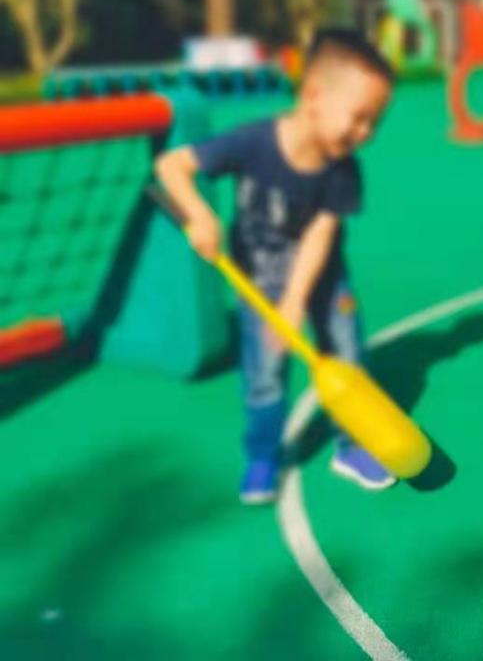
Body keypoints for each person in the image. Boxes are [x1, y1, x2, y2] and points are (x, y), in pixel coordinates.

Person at [154, 29, 397, 504]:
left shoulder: (343, 170)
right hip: (256, 282)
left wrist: (293, 304)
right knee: (264, 375)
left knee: (347, 358)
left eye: (375, 124)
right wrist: (199, 214)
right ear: (313, 96)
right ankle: (264, 454)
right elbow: (171, 166)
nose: (365, 134)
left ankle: (351, 445)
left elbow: (319, 236)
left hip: (322, 276)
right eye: (360, 118)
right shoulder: (251, 142)